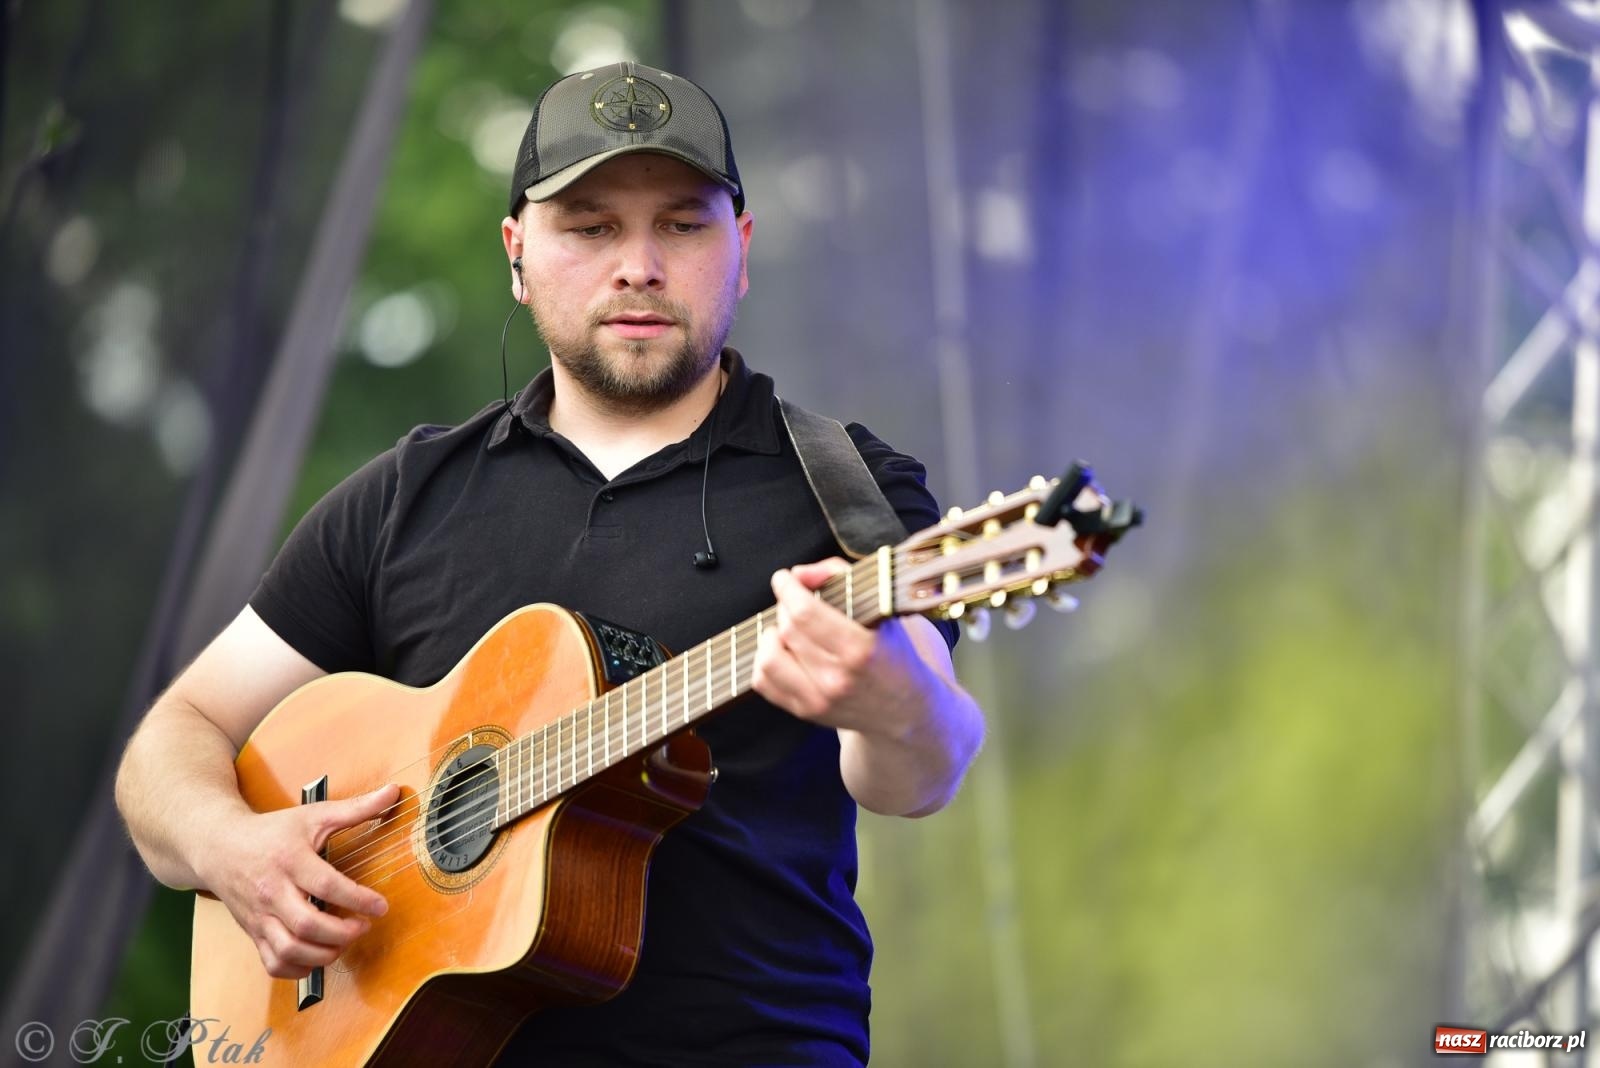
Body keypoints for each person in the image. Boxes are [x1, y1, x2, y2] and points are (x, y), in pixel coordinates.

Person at [115, 60, 984, 1066]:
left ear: (740, 250)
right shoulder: (406, 497)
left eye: (683, 223)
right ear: (517, 253)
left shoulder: (846, 484)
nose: (639, 265)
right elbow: (172, 740)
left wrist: (891, 702)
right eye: (590, 226)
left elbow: (926, 767)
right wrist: (233, 850)